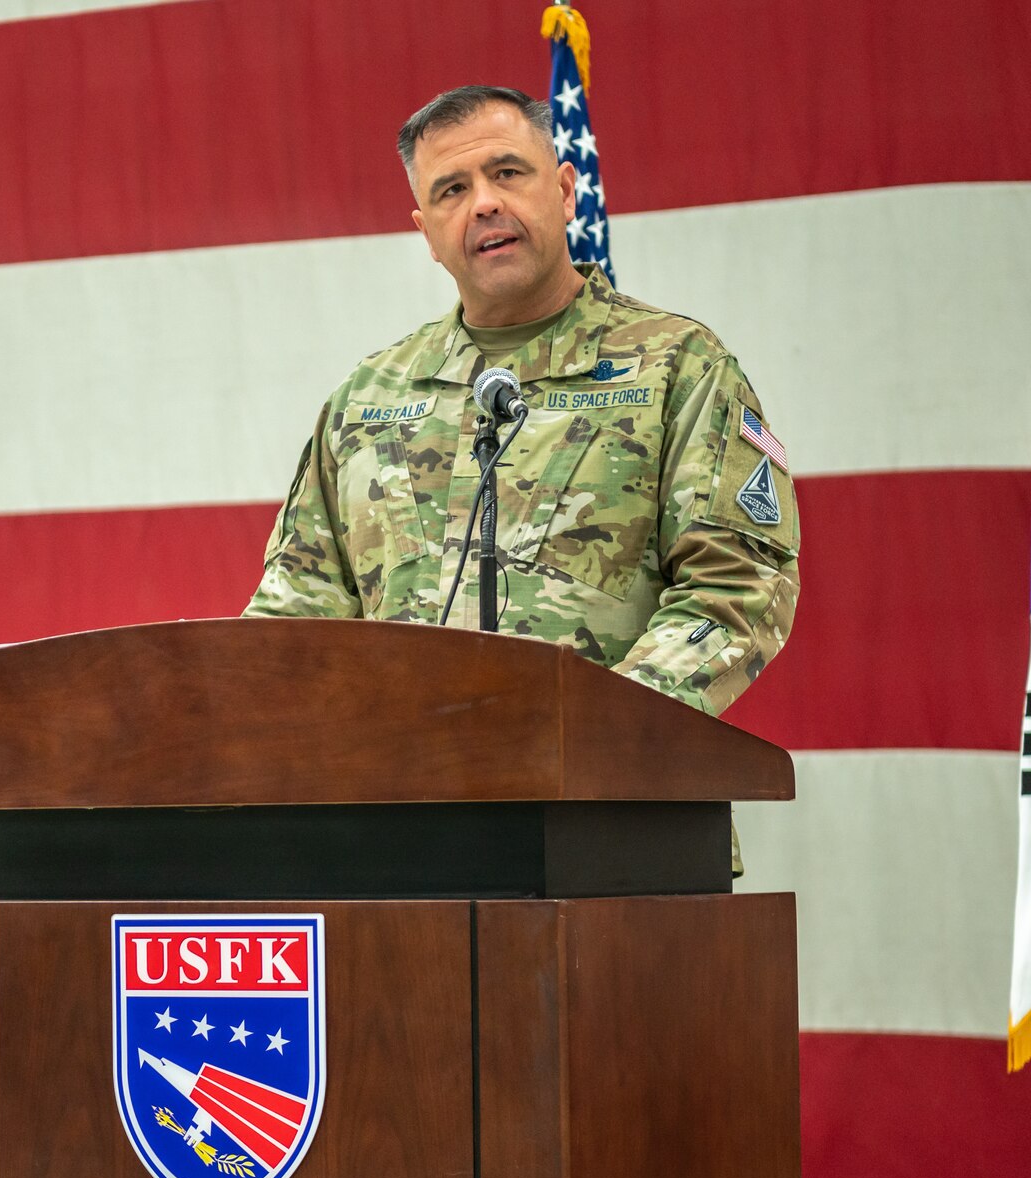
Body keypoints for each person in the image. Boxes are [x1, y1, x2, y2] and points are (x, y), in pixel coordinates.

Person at [247, 85, 798, 720]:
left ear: (565, 192)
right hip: (408, 805)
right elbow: (294, 618)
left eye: (507, 173)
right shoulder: (368, 397)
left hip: (607, 801)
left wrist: (598, 731)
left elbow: (736, 588)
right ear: (427, 234)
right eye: (451, 190)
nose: (484, 204)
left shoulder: (681, 367)